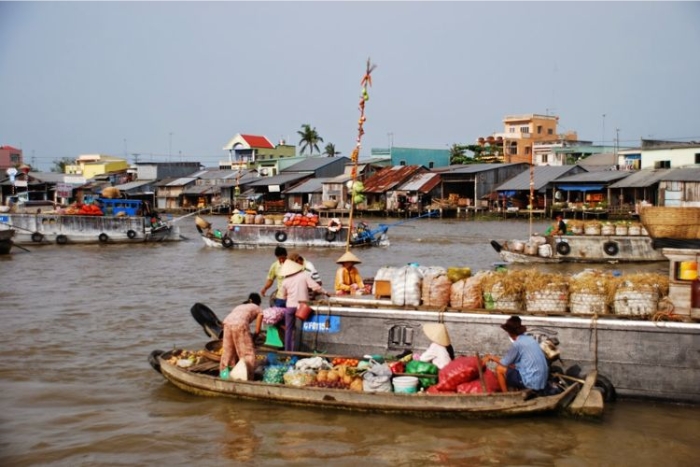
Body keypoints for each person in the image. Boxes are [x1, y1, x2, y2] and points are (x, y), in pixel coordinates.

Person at [482, 316, 549, 393]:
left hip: (531, 381)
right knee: (512, 367)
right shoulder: (530, 339)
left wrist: (491, 357)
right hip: (542, 380)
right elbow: (513, 363)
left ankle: (506, 395)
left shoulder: (517, 344)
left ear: (510, 333)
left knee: (499, 369)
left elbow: (504, 362)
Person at [279, 259, 330, 351]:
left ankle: (288, 350)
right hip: (302, 307)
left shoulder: (285, 281)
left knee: (289, 330)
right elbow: (316, 287)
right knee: (299, 329)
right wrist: (326, 292)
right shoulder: (303, 276)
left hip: (290, 307)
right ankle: (297, 350)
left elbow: (283, 296)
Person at [219, 293, 264, 379]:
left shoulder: (239, 306)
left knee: (228, 352)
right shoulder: (258, 309)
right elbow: (257, 330)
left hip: (227, 324)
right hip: (240, 325)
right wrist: (252, 340)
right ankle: (249, 377)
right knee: (247, 353)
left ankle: (224, 376)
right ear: (258, 303)